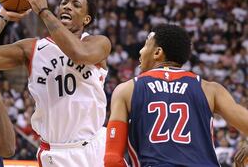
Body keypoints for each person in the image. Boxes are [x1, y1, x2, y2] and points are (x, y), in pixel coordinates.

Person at [0, 0, 111, 167]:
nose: (67, 6)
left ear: (87, 19)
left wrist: (43, 11)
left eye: (76, 5)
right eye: (64, 3)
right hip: (56, 153)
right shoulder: (33, 49)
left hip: (94, 146)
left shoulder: (97, 43)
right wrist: (2, 16)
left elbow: (79, 54)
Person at [104, 24, 248, 166]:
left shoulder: (127, 90)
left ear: (157, 53)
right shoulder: (210, 89)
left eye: (146, 45)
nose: (141, 51)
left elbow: (112, 159)